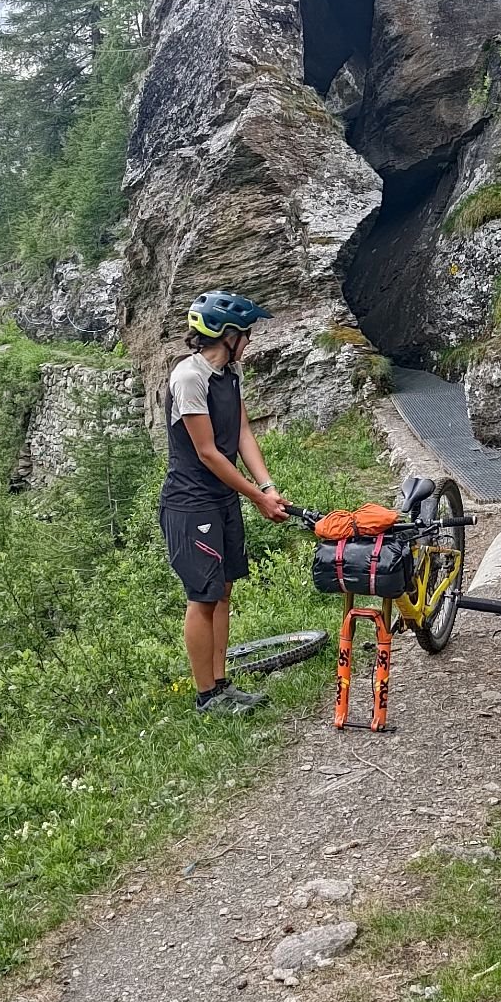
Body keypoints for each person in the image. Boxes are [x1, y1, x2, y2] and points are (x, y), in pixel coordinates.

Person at [159, 290, 289, 715]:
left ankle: (222, 684)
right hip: (191, 502)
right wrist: (255, 497)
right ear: (227, 334)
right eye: (246, 333)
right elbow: (208, 452)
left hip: (222, 498)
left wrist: (266, 485)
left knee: (224, 589)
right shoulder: (188, 377)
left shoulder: (228, 375)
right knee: (203, 595)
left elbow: (242, 432)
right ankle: (206, 696)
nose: (249, 341)